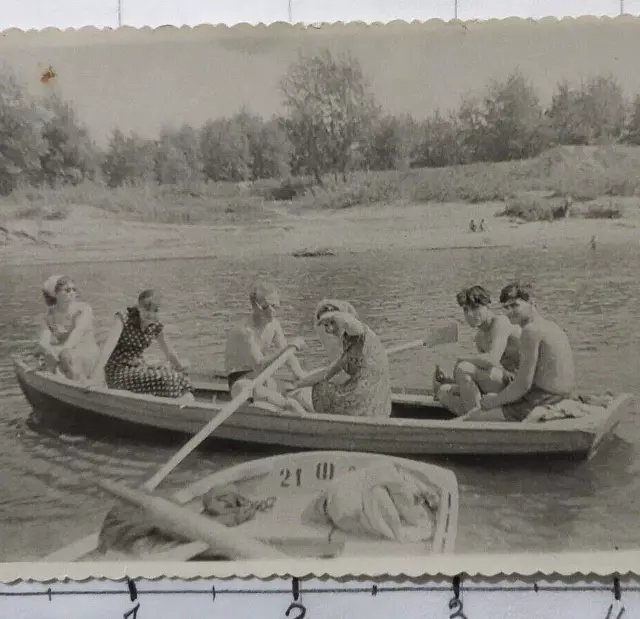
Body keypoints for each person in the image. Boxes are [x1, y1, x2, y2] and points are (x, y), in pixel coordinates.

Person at [460, 282, 575, 422]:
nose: (510, 311)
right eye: (506, 307)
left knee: (473, 418)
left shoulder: (530, 331)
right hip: (559, 396)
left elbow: (523, 385)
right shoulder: (550, 325)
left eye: (515, 305)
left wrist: (493, 402)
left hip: (542, 400)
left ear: (532, 302)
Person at [86, 289, 193, 401]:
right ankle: (178, 404)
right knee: (169, 378)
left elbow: (170, 353)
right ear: (138, 307)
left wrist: (180, 368)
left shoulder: (155, 325)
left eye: (155, 310)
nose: (151, 314)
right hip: (118, 371)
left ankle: (185, 402)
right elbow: (107, 348)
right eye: (146, 309)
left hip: (138, 368)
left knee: (178, 376)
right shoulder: (124, 318)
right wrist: (95, 376)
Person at [435, 285, 521, 416]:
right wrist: (447, 380)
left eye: (475, 308)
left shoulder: (500, 323)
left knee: (463, 368)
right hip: (503, 382)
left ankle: (475, 419)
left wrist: (462, 359)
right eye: (466, 310)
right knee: (443, 391)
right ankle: (479, 416)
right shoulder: (479, 337)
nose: (470, 314)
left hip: (521, 384)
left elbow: (491, 360)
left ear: (487, 305)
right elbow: (484, 371)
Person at [288, 310, 392, 418]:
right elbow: (327, 373)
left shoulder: (360, 333)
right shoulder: (349, 350)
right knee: (320, 384)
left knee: (320, 389)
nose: (329, 330)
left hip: (367, 394)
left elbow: (350, 321)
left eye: (331, 324)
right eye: (326, 326)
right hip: (375, 395)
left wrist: (332, 315)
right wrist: (299, 384)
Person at [224, 281, 308, 414]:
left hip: (263, 378)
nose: (274, 311)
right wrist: (287, 349)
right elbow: (260, 364)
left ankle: (286, 405)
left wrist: (301, 375)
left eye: (277, 306)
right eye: (271, 306)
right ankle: (287, 406)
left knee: (298, 392)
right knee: (285, 402)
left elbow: (288, 357)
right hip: (241, 381)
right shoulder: (245, 331)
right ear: (256, 306)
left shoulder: (274, 325)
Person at [38, 274, 100, 381]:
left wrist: (59, 350)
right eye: (67, 290)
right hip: (64, 356)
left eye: (74, 289)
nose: (72, 293)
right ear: (54, 294)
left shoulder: (84, 309)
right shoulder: (48, 317)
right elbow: (43, 341)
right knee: (51, 356)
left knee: (66, 356)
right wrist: (47, 350)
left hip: (87, 355)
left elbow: (77, 333)